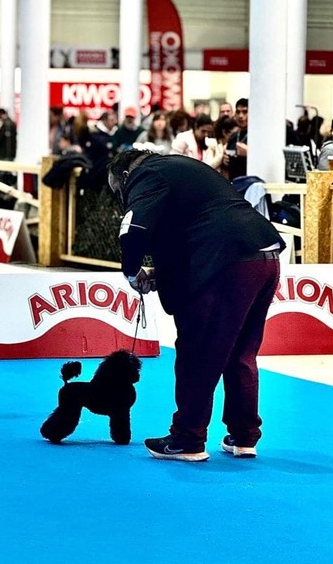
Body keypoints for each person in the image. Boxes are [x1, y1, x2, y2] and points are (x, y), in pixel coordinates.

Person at [107, 149, 285, 462]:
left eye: (120, 193)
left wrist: (132, 272)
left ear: (124, 176)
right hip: (264, 256)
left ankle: (187, 438)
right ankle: (243, 436)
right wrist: (157, 272)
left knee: (198, 350)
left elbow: (133, 230)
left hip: (228, 261)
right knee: (241, 351)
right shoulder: (182, 168)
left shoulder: (146, 175)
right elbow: (192, 230)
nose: (124, 198)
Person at [222, 98, 249, 181]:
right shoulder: (233, 136)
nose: (241, 116)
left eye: (245, 112)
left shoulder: (258, 136)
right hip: (234, 183)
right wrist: (224, 159)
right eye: (238, 112)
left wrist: (249, 153)